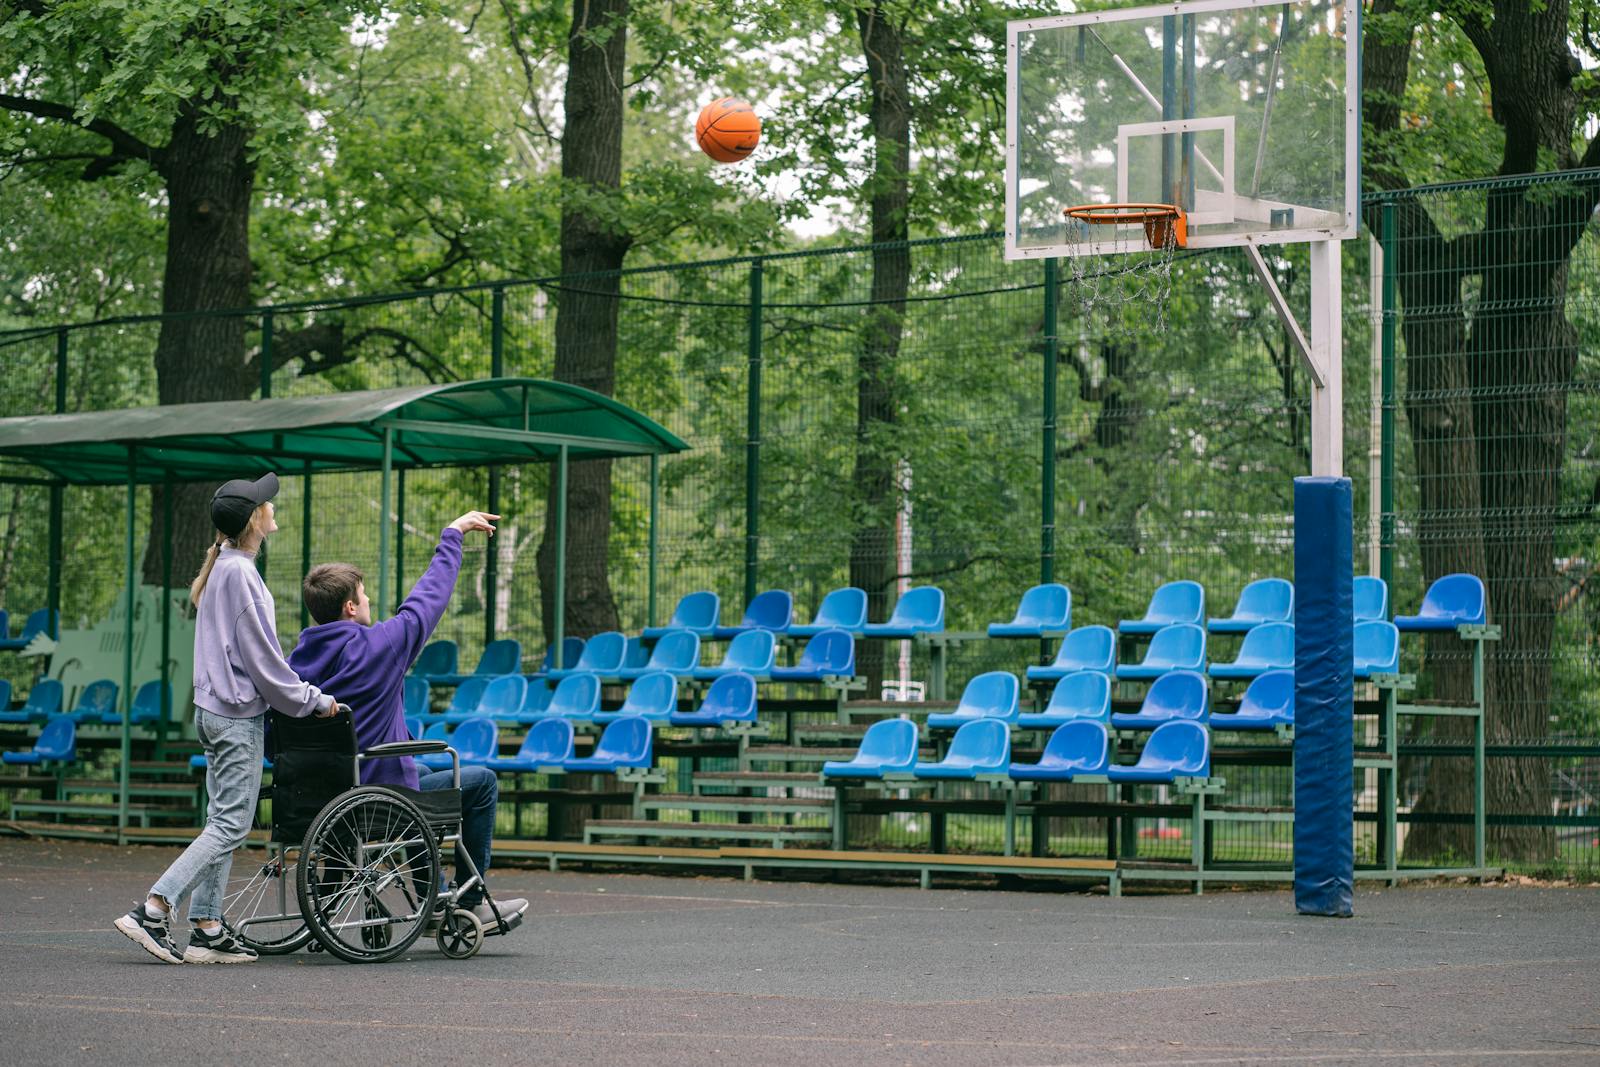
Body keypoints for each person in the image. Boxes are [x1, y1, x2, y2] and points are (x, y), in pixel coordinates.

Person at [115, 472, 338, 965]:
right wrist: (312, 701)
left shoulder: (226, 567)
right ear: (254, 519)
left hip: (213, 712)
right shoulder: (240, 575)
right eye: (266, 503)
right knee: (231, 827)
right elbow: (263, 659)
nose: (272, 507)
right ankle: (154, 908)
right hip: (236, 718)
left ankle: (208, 927)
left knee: (221, 821)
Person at [287, 510, 528, 932]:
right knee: (481, 781)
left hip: (317, 795)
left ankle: (430, 895)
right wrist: (452, 535)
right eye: (364, 596)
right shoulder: (379, 647)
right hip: (374, 794)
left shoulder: (292, 667)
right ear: (349, 607)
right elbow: (427, 599)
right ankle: (469, 901)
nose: (369, 602)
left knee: (423, 768)